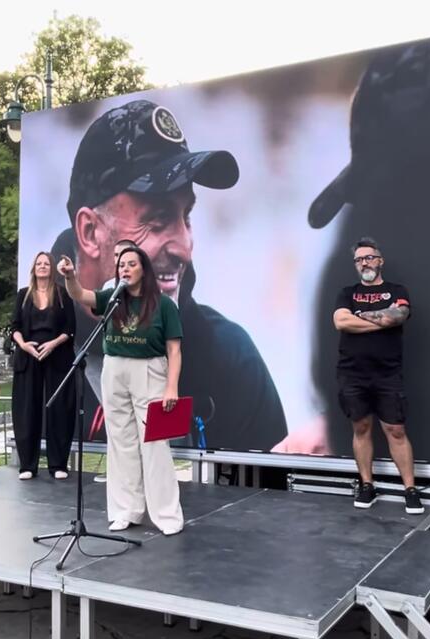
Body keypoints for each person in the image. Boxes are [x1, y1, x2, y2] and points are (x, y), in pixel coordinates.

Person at [51, 99, 286, 452]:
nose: (184, 247)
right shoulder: (44, 335)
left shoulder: (228, 353)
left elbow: (263, 492)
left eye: (186, 215)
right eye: (158, 220)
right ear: (89, 232)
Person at [59, 247, 185, 536]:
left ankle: (166, 515)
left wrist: (171, 387)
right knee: (120, 441)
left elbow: (174, 350)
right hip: (114, 368)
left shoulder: (163, 304)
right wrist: (70, 276)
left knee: (154, 444)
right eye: (121, 265)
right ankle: (126, 510)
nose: (124, 269)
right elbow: (81, 295)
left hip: (150, 370)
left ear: (144, 269)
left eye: (131, 264)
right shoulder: (113, 298)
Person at [332, 237, 421, 513]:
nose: (364, 263)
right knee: (361, 428)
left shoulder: (397, 290)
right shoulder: (347, 292)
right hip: (352, 374)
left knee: (396, 430)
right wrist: (382, 322)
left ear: (380, 260)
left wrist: (363, 320)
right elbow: (340, 321)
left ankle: (410, 488)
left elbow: (399, 315)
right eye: (359, 259)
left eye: (369, 257)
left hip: (387, 373)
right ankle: (367, 484)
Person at [11, 251, 76, 480]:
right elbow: (15, 327)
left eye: (46, 263)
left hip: (56, 357)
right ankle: (27, 465)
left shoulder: (61, 294)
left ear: (52, 268)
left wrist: (53, 344)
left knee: (58, 410)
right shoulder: (23, 295)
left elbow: (70, 329)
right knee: (28, 410)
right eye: (38, 263)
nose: (42, 266)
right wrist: (24, 345)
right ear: (33, 268)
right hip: (29, 357)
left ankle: (58, 464)